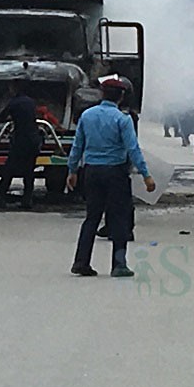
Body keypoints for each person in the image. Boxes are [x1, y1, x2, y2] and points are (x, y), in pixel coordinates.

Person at [66, 79, 156, 278]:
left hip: (91, 172)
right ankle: (119, 264)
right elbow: (133, 149)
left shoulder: (87, 116)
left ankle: (81, 261)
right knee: (119, 219)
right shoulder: (122, 120)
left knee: (91, 217)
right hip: (115, 173)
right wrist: (146, 175)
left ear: (102, 94)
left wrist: (72, 171)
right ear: (121, 96)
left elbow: (77, 146)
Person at [0, 79, 42, 209]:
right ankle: (27, 200)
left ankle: (1, 197)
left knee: (9, 169)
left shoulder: (13, 103)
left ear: (14, 89)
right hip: (34, 140)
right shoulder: (31, 102)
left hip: (21, 141)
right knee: (29, 171)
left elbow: (1, 119)